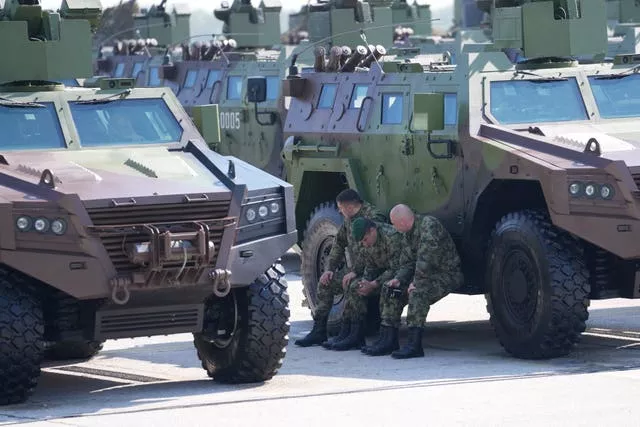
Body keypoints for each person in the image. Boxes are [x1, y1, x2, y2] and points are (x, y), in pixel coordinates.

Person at [294, 189, 386, 348]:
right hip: (356, 270)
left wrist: (354, 272)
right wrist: (329, 269)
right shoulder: (349, 220)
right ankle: (319, 330)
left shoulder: (372, 219)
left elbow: (370, 248)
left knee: (353, 285)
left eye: (340, 208)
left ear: (349, 207)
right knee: (326, 283)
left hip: (374, 270)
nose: (339, 211)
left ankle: (355, 333)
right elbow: (338, 244)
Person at [382, 204, 464, 359]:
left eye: (394, 223)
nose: (394, 227)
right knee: (392, 291)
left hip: (447, 274)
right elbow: (407, 263)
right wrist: (398, 280)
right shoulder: (408, 234)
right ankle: (388, 338)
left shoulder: (428, 225)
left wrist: (417, 283)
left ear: (403, 221)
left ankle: (414, 345)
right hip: (425, 275)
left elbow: (426, 259)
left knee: (417, 293)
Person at [328, 217, 404, 351]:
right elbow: (369, 263)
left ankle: (388, 338)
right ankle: (354, 335)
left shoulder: (391, 237)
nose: (365, 244)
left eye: (365, 240)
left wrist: (373, 284)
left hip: (399, 275)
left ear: (372, 230)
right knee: (355, 286)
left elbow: (397, 268)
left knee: (388, 288)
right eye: (362, 242)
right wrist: (362, 280)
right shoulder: (367, 241)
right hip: (380, 275)